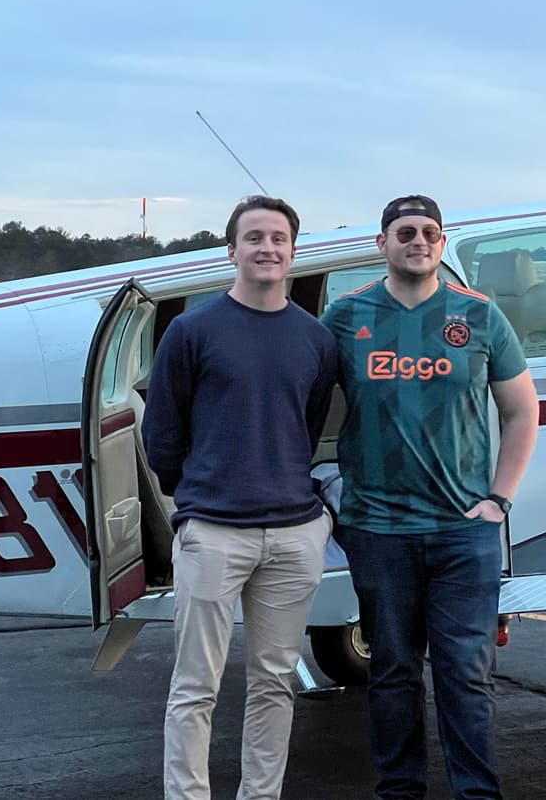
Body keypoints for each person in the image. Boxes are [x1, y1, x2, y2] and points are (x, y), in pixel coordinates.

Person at [321, 194, 540, 799]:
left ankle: (478, 793)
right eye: (404, 231)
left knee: (466, 676)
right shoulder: (346, 316)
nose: (418, 240)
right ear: (382, 243)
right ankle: (400, 791)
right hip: (376, 529)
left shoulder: (479, 315)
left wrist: (499, 499)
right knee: (391, 674)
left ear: (442, 245)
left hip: (462, 530)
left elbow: (522, 411)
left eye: (429, 232)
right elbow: (297, 400)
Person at [143, 195, 338, 800]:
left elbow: (305, 426)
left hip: (293, 533)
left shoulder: (315, 339)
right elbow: (162, 433)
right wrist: (197, 500)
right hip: (213, 532)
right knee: (195, 685)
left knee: (274, 682)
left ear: (292, 253)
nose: (267, 248)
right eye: (254, 237)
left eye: (279, 239)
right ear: (232, 251)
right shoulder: (192, 330)